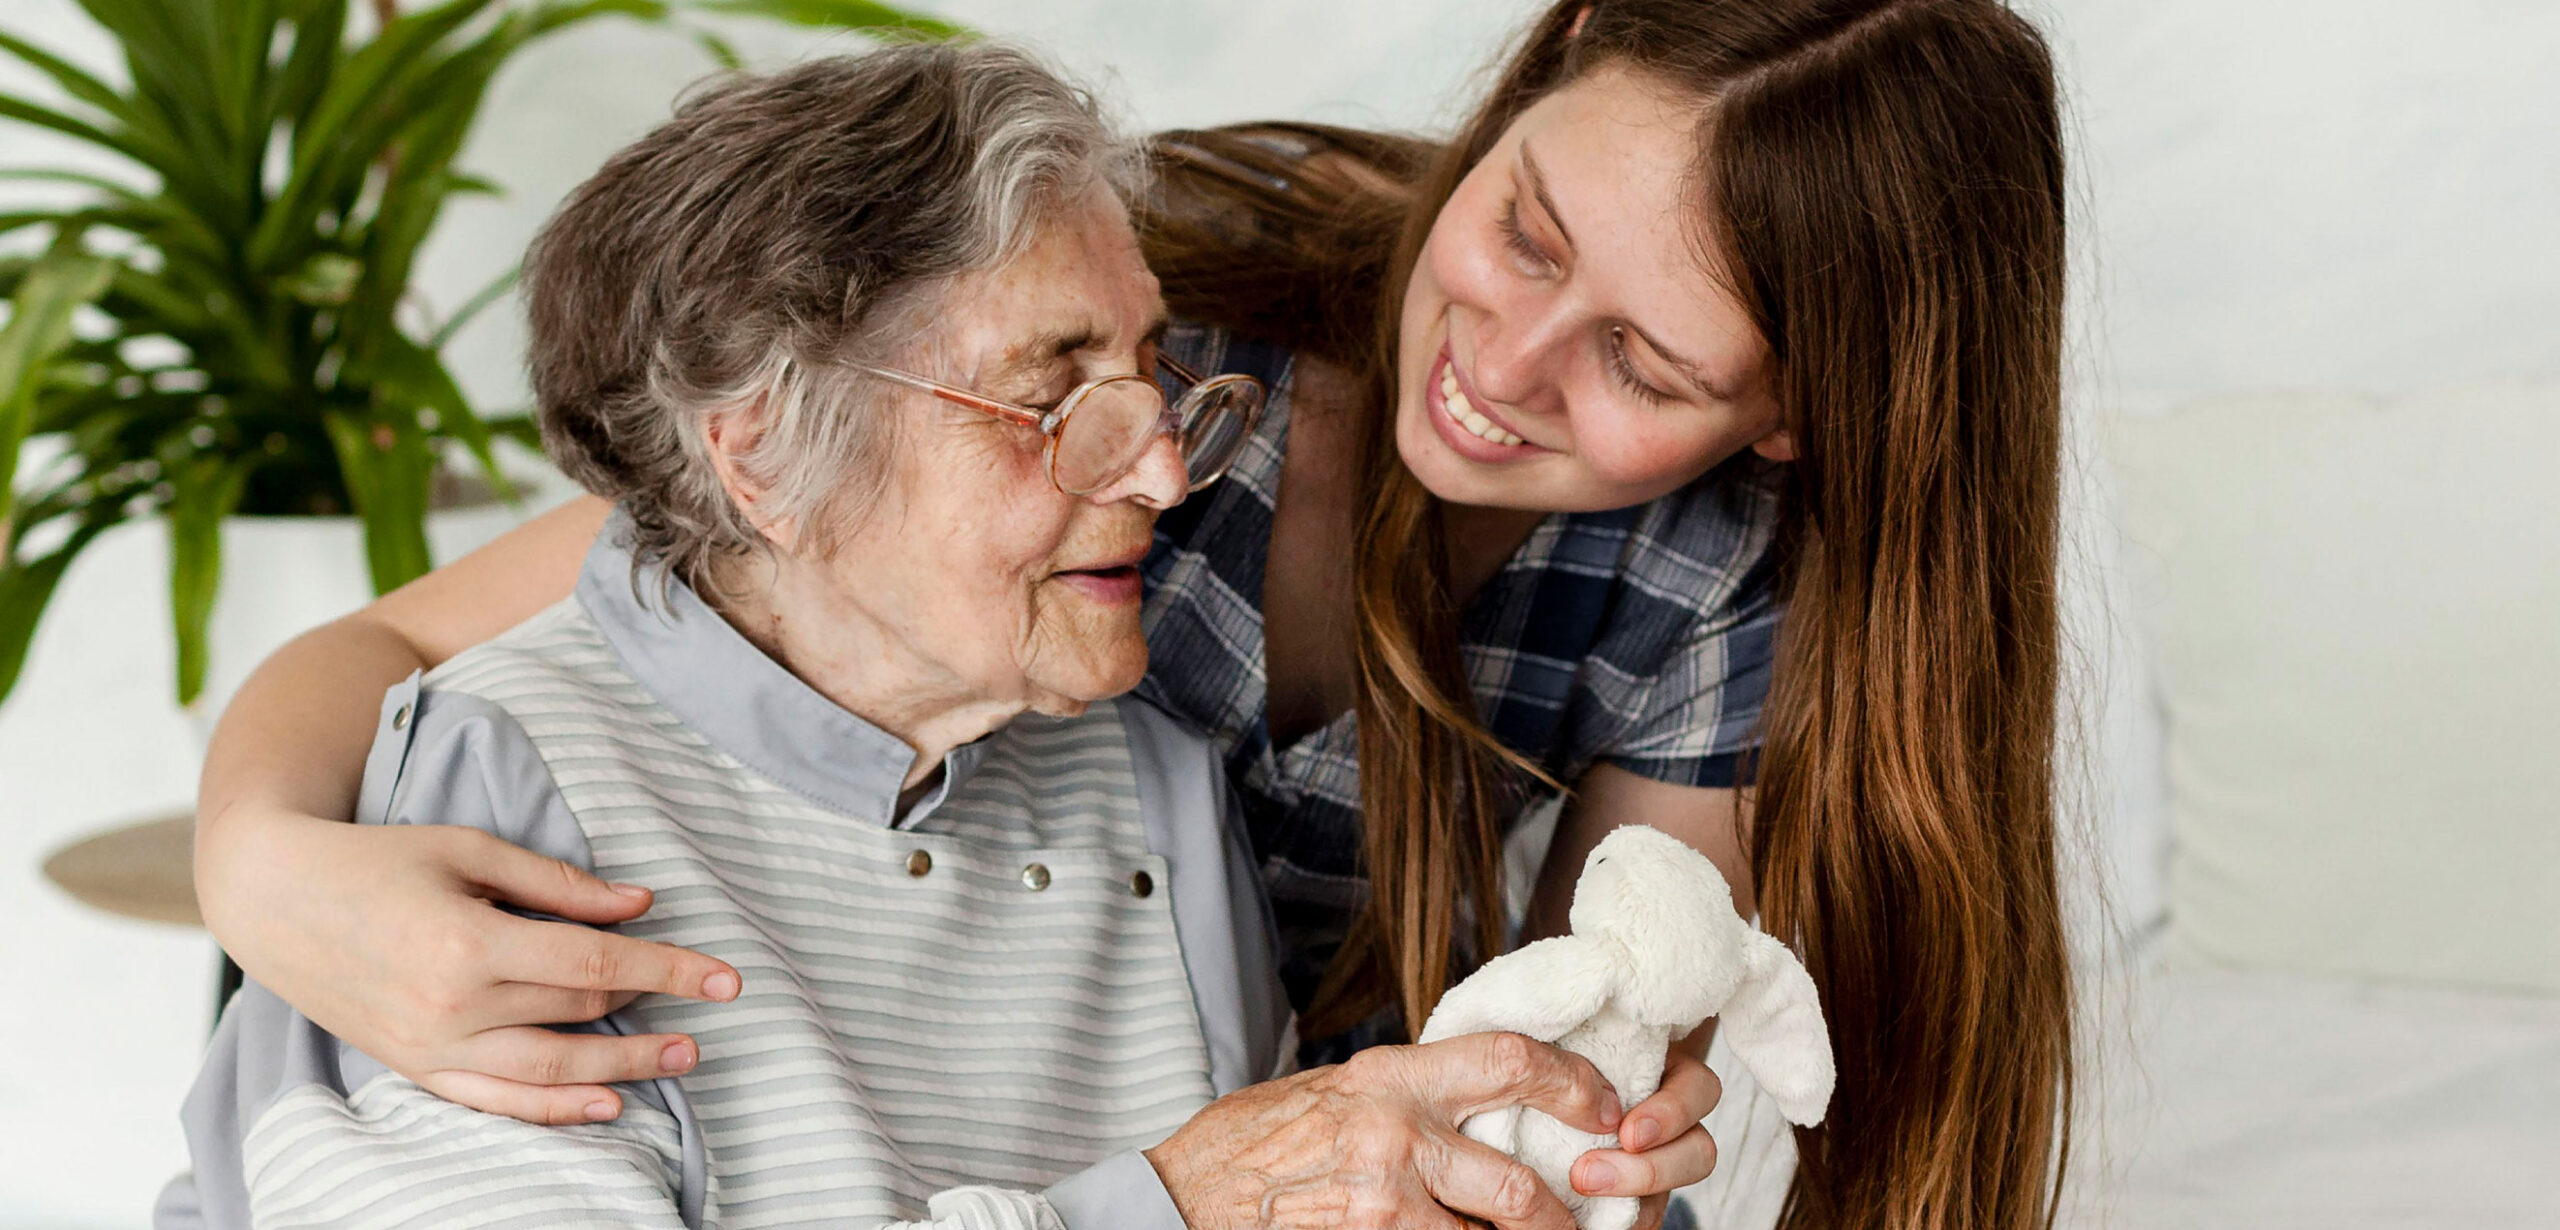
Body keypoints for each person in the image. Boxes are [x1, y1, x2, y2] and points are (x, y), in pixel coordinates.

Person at [192, 2, 2076, 1226]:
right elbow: (582, 604)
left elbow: (1615, 1013)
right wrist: (265, 866)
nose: (1497, 363)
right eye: (1523, 234)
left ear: (1798, 412)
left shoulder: (1151, 778)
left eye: (1644, 363)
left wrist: (1567, 1150)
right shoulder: (1129, 315)